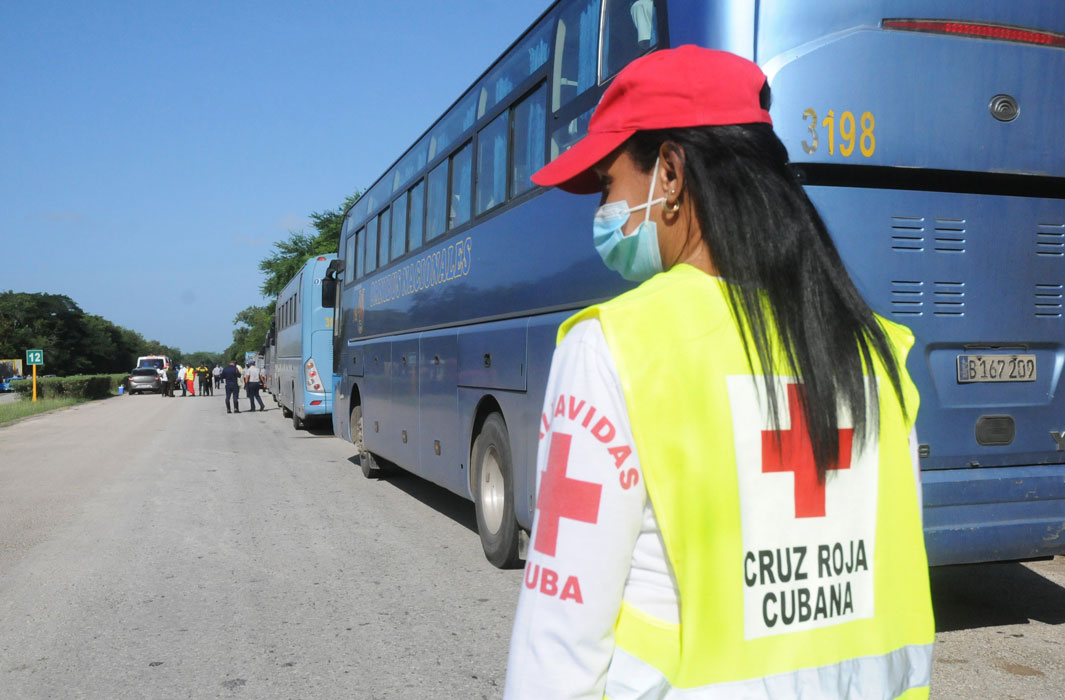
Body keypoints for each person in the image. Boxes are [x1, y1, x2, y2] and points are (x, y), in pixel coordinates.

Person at [503, 46, 933, 699]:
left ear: (670, 173)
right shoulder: (875, 351)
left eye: (608, 185)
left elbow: (559, 640)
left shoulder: (615, 347)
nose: (602, 211)